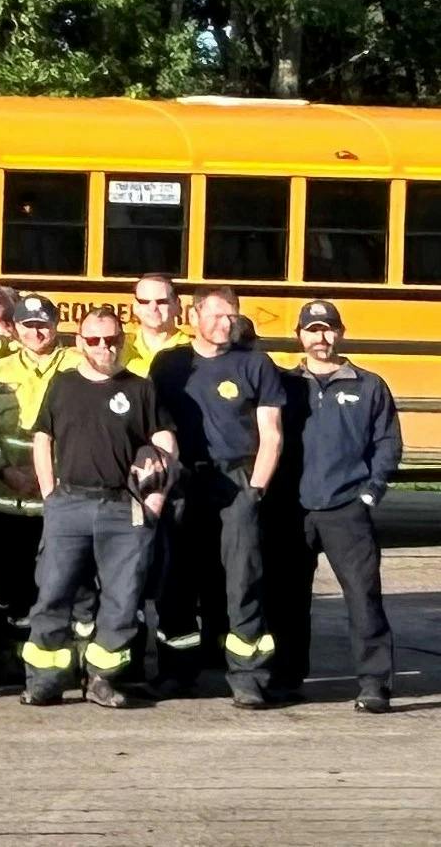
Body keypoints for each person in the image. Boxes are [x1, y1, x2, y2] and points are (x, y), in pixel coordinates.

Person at [20, 311, 177, 709]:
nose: (104, 347)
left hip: (123, 508)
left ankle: (102, 679)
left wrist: (155, 497)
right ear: (79, 343)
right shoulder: (62, 385)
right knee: (53, 593)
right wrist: (50, 493)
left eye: (112, 340)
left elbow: (164, 441)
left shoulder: (141, 388)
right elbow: (42, 439)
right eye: (94, 340)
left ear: (122, 341)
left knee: (122, 600)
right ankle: (46, 681)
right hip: (69, 503)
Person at [151, 288, 290, 704]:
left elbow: (272, 435)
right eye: (215, 316)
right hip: (184, 481)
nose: (224, 324)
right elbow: (153, 425)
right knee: (176, 581)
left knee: (244, 581)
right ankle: (176, 672)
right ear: (194, 316)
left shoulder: (255, 364)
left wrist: (256, 490)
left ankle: (249, 678)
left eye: (231, 316)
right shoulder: (170, 363)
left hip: (237, 481)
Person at [277, 301, 399, 714]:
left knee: (363, 597)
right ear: (299, 336)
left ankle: (374, 683)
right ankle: (287, 678)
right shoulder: (283, 385)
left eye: (328, 329)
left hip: (347, 508)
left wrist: (371, 491)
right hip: (293, 510)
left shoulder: (369, 385)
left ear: (341, 332)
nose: (321, 338)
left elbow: (387, 442)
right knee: (288, 599)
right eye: (312, 330)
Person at [0, 293, 78, 683]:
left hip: (58, 501)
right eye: (28, 326)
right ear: (15, 329)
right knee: (6, 587)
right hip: (6, 499)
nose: (36, 333)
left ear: (56, 326)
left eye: (42, 325)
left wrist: (53, 478)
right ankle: (7, 661)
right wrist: (4, 469)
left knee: (57, 586)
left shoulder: (77, 367)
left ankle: (54, 663)